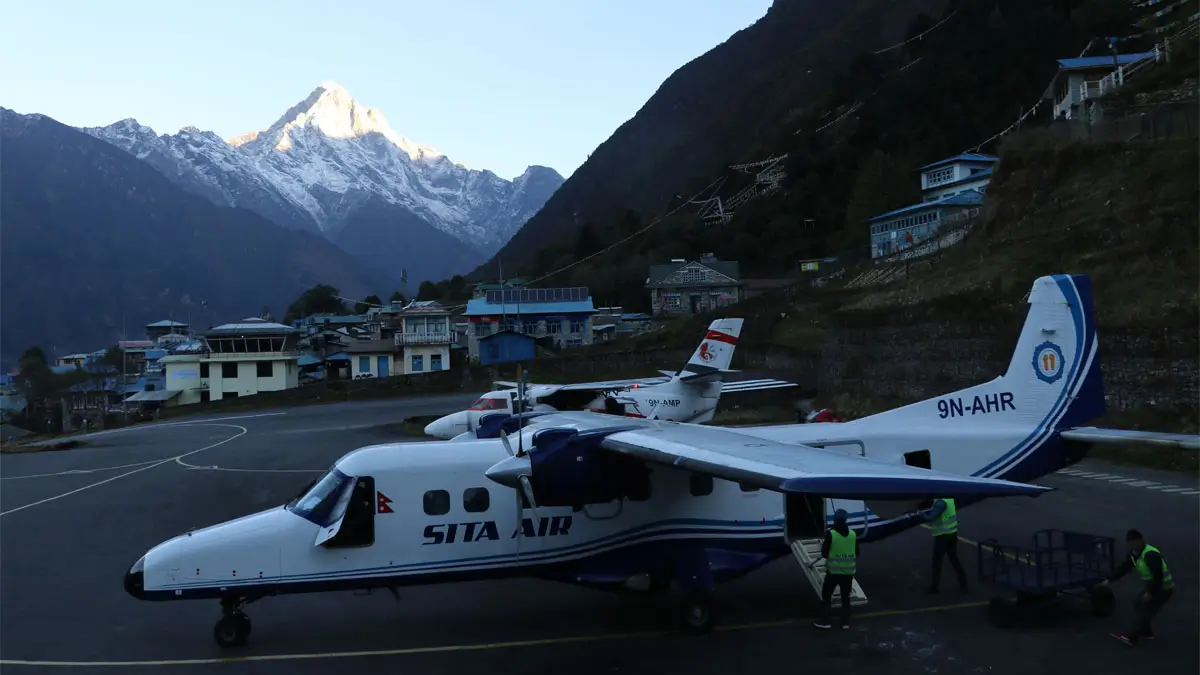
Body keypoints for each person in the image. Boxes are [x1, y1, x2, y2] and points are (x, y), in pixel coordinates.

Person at [1106, 529, 1174, 646]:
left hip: (1163, 588)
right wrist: (1110, 579)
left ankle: (1131, 636)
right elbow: (1124, 567)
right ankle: (1146, 632)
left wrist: (1150, 592)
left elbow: (1158, 575)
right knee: (1139, 603)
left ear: (1141, 540)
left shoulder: (1150, 554)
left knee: (1144, 608)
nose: (1134, 545)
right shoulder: (1134, 554)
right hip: (1155, 586)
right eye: (1131, 543)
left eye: (1136, 542)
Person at [813, 509, 858, 630]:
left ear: (835, 519)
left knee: (826, 596)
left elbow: (824, 553)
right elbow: (857, 552)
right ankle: (845, 623)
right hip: (848, 573)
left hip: (833, 573)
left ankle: (825, 621)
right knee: (845, 598)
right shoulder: (853, 534)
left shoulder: (831, 534)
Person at [919, 497, 968, 594]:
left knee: (937, 561)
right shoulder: (949, 499)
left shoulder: (940, 503)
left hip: (942, 536)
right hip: (952, 533)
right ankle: (963, 582)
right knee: (954, 559)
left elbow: (930, 518)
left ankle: (934, 587)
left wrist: (919, 514)